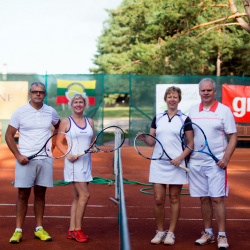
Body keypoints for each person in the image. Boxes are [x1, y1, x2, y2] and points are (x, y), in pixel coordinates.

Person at [5, 82, 60, 243]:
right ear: (29, 94)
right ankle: (18, 230)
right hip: (25, 160)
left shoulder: (51, 111)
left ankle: (39, 229)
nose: (38, 94)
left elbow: (59, 125)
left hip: (45, 159)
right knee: (23, 194)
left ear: (45, 95)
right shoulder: (20, 112)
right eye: (35, 92)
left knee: (40, 193)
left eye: (41, 92)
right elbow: (9, 135)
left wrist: (54, 142)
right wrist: (18, 155)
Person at [138, 86, 193, 245]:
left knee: (175, 198)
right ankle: (160, 231)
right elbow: (152, 141)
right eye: (169, 96)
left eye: (175, 96)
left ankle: (171, 233)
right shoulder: (158, 118)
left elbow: (190, 143)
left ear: (179, 99)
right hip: (158, 163)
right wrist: (144, 138)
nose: (172, 99)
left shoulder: (185, 119)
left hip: (177, 164)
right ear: (165, 99)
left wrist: (180, 158)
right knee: (158, 199)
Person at [188, 78, 237, 249]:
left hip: (217, 164)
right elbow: (187, 137)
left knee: (217, 199)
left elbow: (233, 137)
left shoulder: (224, 111)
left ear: (215, 92)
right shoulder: (192, 111)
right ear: (199, 92)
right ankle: (208, 233)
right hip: (196, 163)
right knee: (204, 199)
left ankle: (222, 235)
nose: (206, 93)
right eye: (203, 90)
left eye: (209, 90)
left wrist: (226, 159)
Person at [57, 93, 95, 243]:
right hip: (73, 164)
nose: (78, 104)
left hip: (86, 164)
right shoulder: (66, 122)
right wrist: (68, 154)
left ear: (85, 105)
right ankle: (78, 230)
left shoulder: (90, 121)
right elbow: (59, 142)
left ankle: (71, 230)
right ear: (71, 105)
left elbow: (91, 141)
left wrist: (94, 147)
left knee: (77, 198)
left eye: (81, 102)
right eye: (75, 102)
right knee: (85, 196)